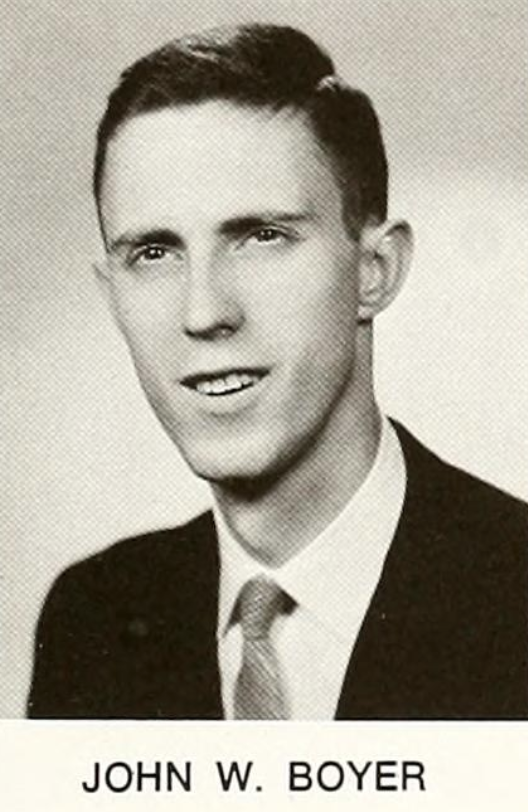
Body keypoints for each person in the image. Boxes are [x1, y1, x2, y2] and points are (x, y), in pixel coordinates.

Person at [27, 23, 527, 720]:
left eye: (262, 236)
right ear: (112, 295)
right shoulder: (93, 618)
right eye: (153, 253)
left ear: (373, 272)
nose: (203, 312)